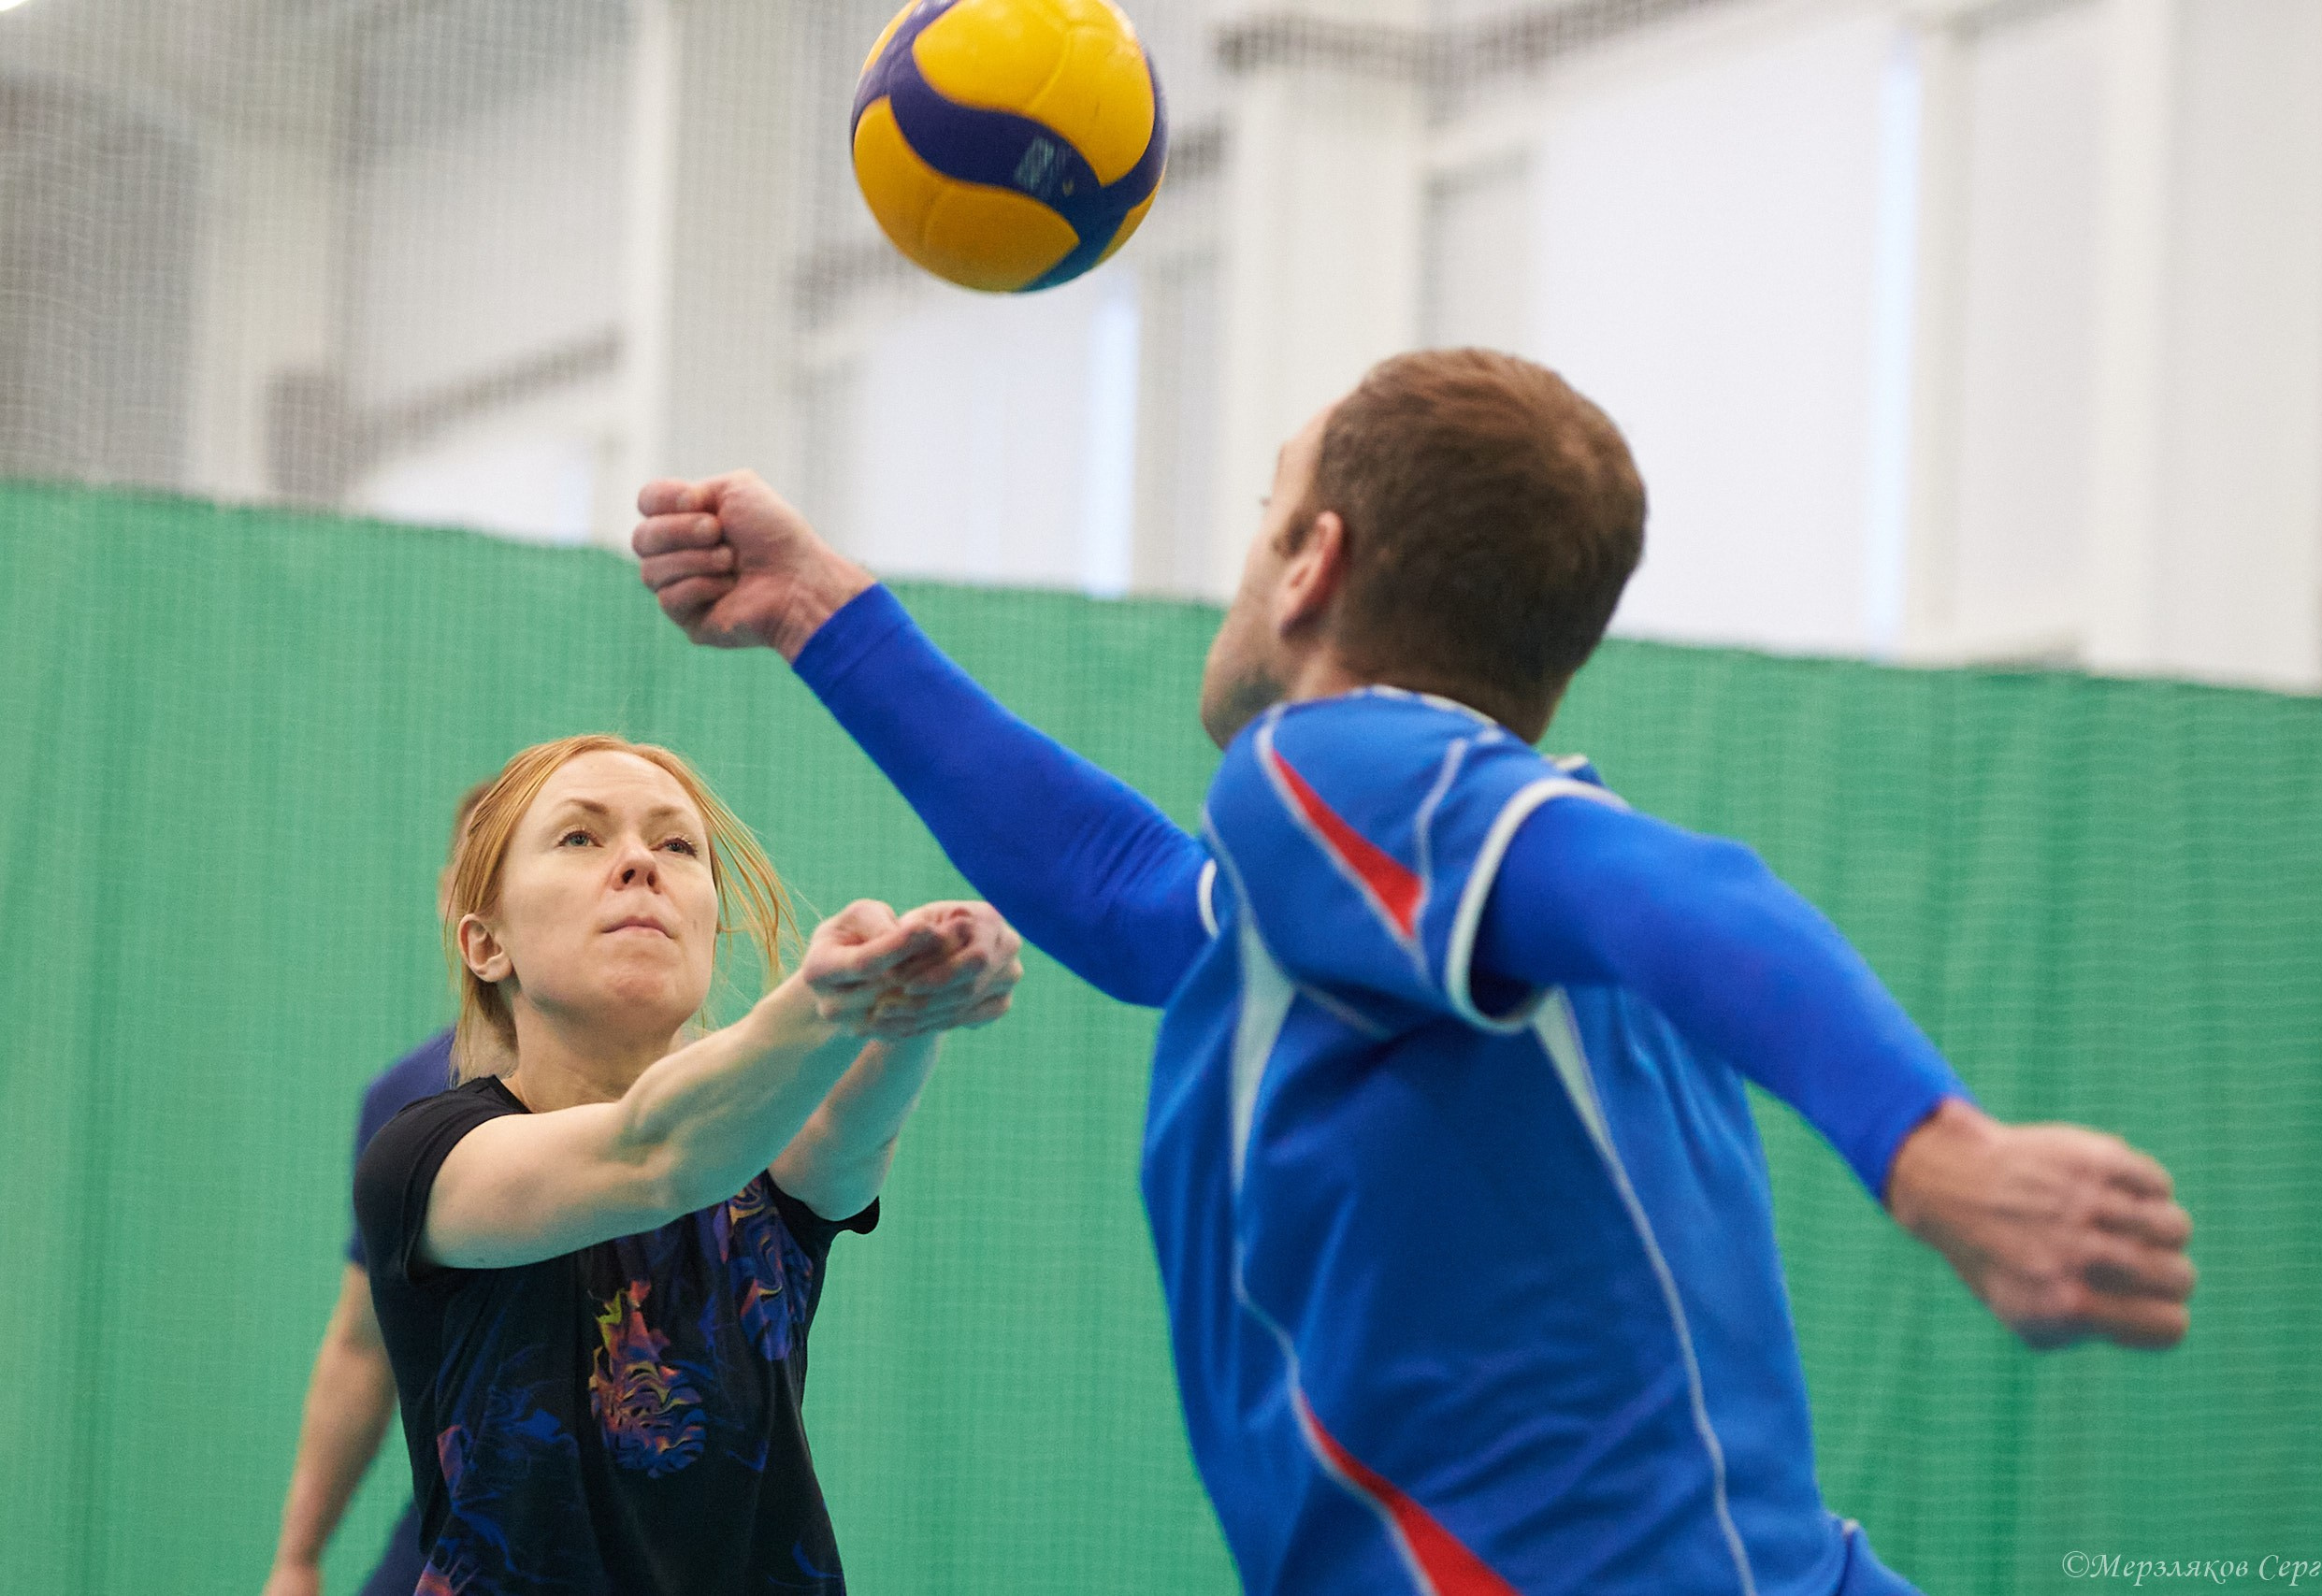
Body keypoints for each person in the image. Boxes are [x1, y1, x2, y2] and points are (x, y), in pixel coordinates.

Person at [630, 349, 2199, 1595]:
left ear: (1313, 562)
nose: (1249, 558)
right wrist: (818, 611)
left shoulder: (1330, 766)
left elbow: (1686, 886)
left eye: (1264, 515)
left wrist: (1941, 1155)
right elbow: (1121, 897)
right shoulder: (1372, 914)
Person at [353, 732, 1021, 1594]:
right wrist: (829, 999)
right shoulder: (429, 1159)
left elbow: (852, 1137)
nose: (639, 862)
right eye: (581, 837)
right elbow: (657, 1155)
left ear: (710, 923)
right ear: (487, 944)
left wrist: (919, 988)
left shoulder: (769, 1158)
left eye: (675, 843)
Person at [265, 780, 492, 1596]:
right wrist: (298, 1555)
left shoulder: (690, 1098)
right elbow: (365, 1345)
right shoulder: (405, 1101)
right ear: (461, 912)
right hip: (462, 1533)